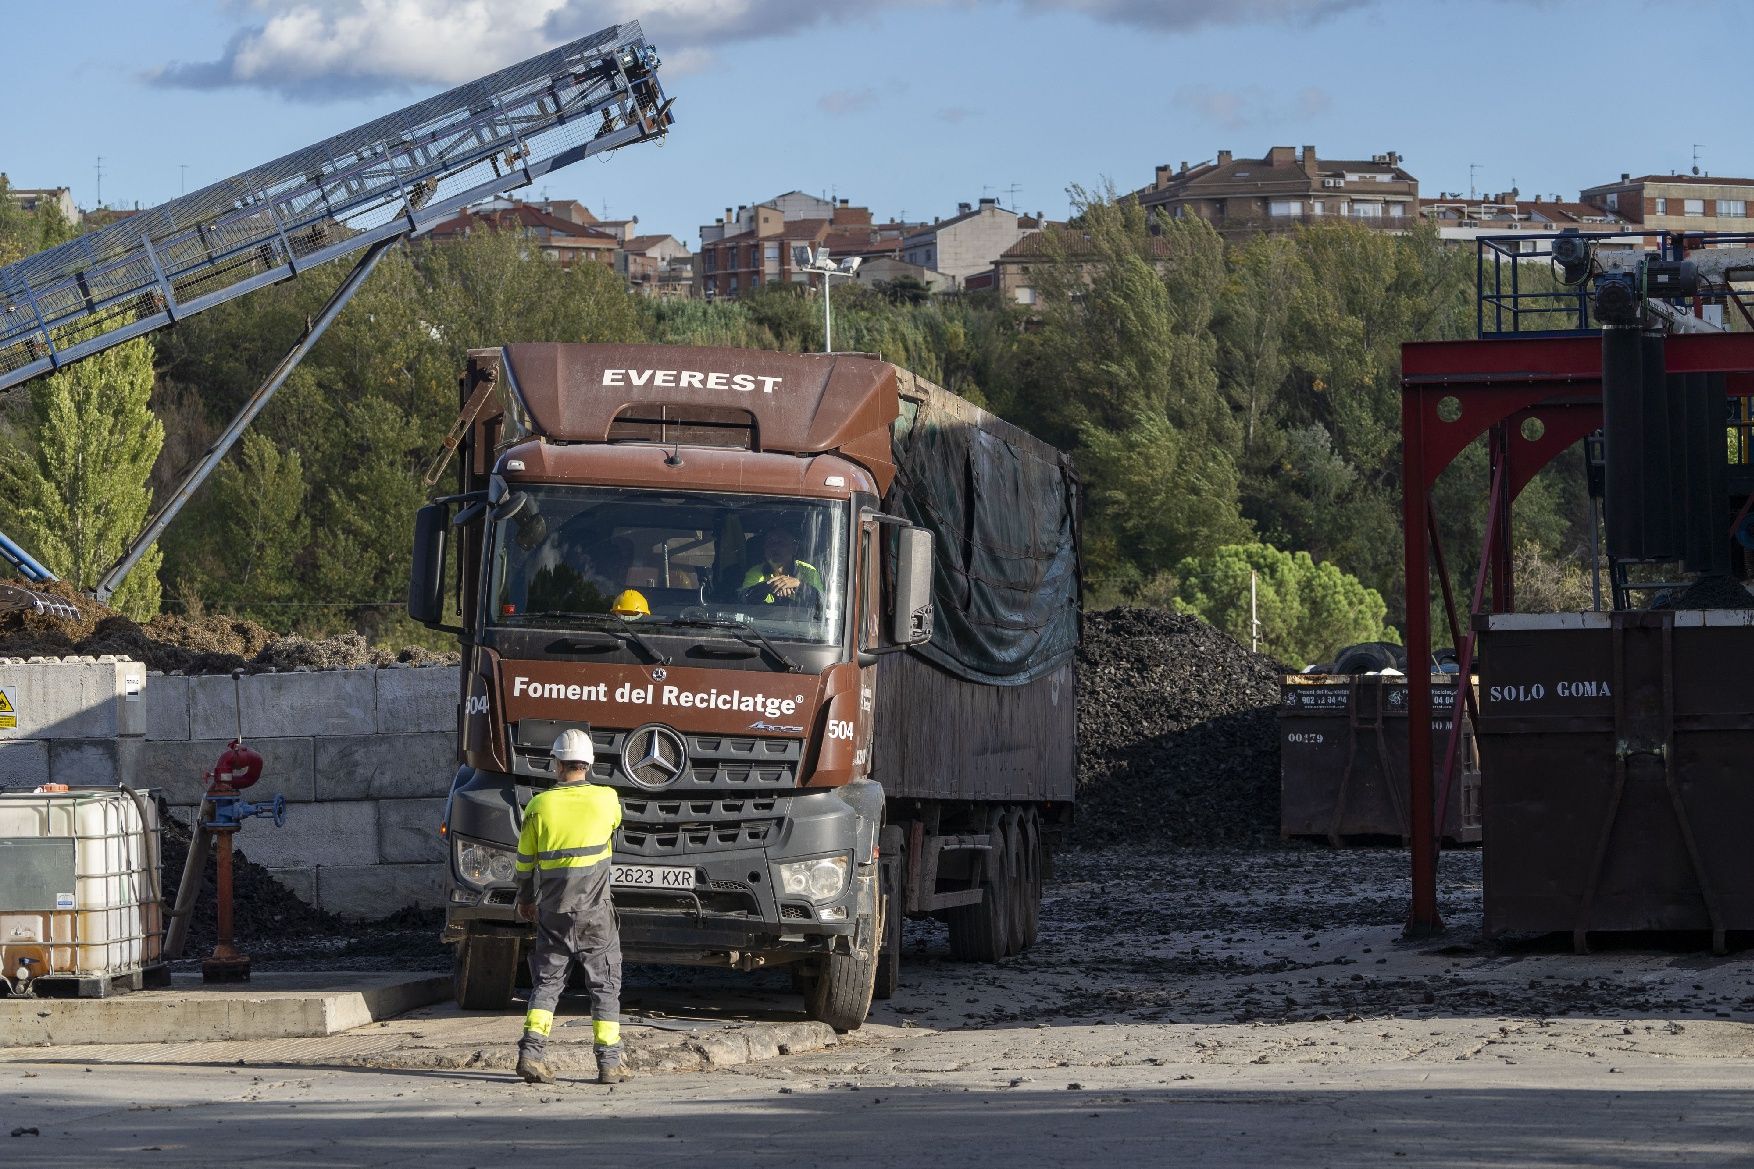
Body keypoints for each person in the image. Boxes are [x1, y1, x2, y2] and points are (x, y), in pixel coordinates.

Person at [513, 728, 626, 1085]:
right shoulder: (608, 799)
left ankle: (532, 1055)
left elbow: (524, 864)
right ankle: (609, 1064)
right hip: (595, 914)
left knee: (547, 983)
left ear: (558, 764)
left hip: (553, 912)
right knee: (604, 985)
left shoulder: (538, 806)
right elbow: (612, 833)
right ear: (589, 763)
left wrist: (526, 900)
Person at [740, 527, 823, 604]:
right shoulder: (756, 572)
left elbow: (821, 601)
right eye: (770, 543)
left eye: (781, 543)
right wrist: (769, 586)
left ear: (794, 549)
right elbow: (744, 599)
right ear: (764, 549)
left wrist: (799, 585)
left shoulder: (808, 570)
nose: (775, 547)